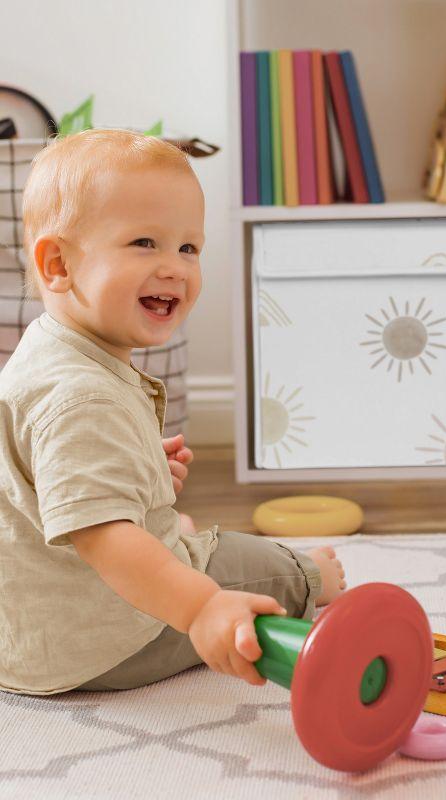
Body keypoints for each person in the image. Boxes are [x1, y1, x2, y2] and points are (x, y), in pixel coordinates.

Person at [0, 128, 346, 695]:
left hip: (25, 635)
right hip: (98, 643)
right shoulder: (80, 398)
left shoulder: (45, 354)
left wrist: (136, 469)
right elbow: (104, 537)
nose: (175, 268)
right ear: (58, 264)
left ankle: (163, 542)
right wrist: (203, 608)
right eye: (144, 243)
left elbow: (39, 484)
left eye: (188, 248)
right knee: (237, 559)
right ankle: (310, 578)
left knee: (171, 533)